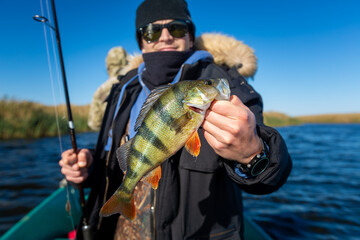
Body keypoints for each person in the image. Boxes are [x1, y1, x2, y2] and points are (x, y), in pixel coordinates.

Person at [59, 0, 292, 239]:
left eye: (177, 28)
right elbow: (115, 158)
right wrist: (89, 167)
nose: (166, 37)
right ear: (141, 42)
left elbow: (273, 173)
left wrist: (252, 154)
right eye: (152, 31)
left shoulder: (225, 83)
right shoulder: (123, 89)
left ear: (190, 37)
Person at [88, 46, 129, 131]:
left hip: (110, 140)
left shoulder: (100, 91)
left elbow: (94, 124)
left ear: (108, 64)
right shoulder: (135, 80)